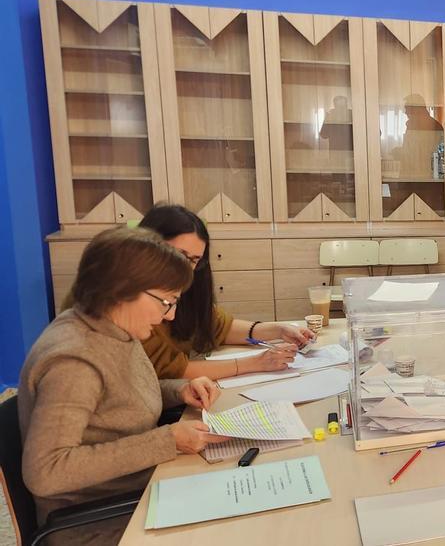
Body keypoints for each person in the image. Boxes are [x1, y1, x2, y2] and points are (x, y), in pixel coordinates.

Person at [19, 227, 229, 546]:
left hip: (139, 490)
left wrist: (178, 390)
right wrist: (164, 441)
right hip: (95, 521)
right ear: (122, 290)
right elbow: (46, 471)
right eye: (166, 302)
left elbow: (117, 394)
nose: (170, 315)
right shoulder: (74, 362)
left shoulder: (114, 328)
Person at [138, 205, 314, 382]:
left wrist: (278, 329)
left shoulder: (185, 292)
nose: (184, 268)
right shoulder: (132, 304)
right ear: (147, 247)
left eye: (193, 260)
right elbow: (170, 371)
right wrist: (256, 362)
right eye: (179, 255)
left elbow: (218, 326)